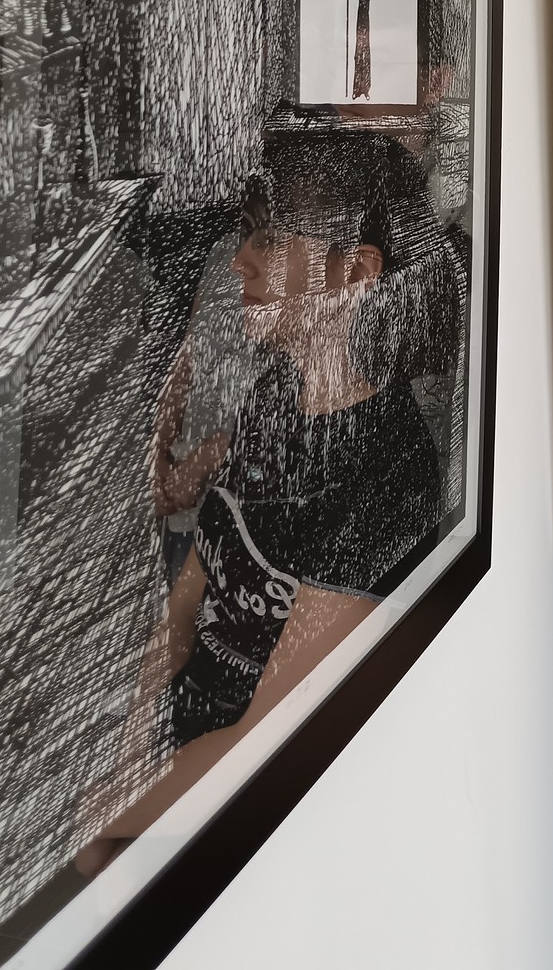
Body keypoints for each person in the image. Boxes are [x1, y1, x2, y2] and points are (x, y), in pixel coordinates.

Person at [79, 128, 449, 871]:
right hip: (177, 763)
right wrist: (130, 754)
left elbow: (264, 738)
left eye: (272, 241)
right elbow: (190, 596)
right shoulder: (276, 392)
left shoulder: (386, 474)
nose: (240, 262)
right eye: (249, 236)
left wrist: (108, 818)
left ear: (357, 272)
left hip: (253, 809)